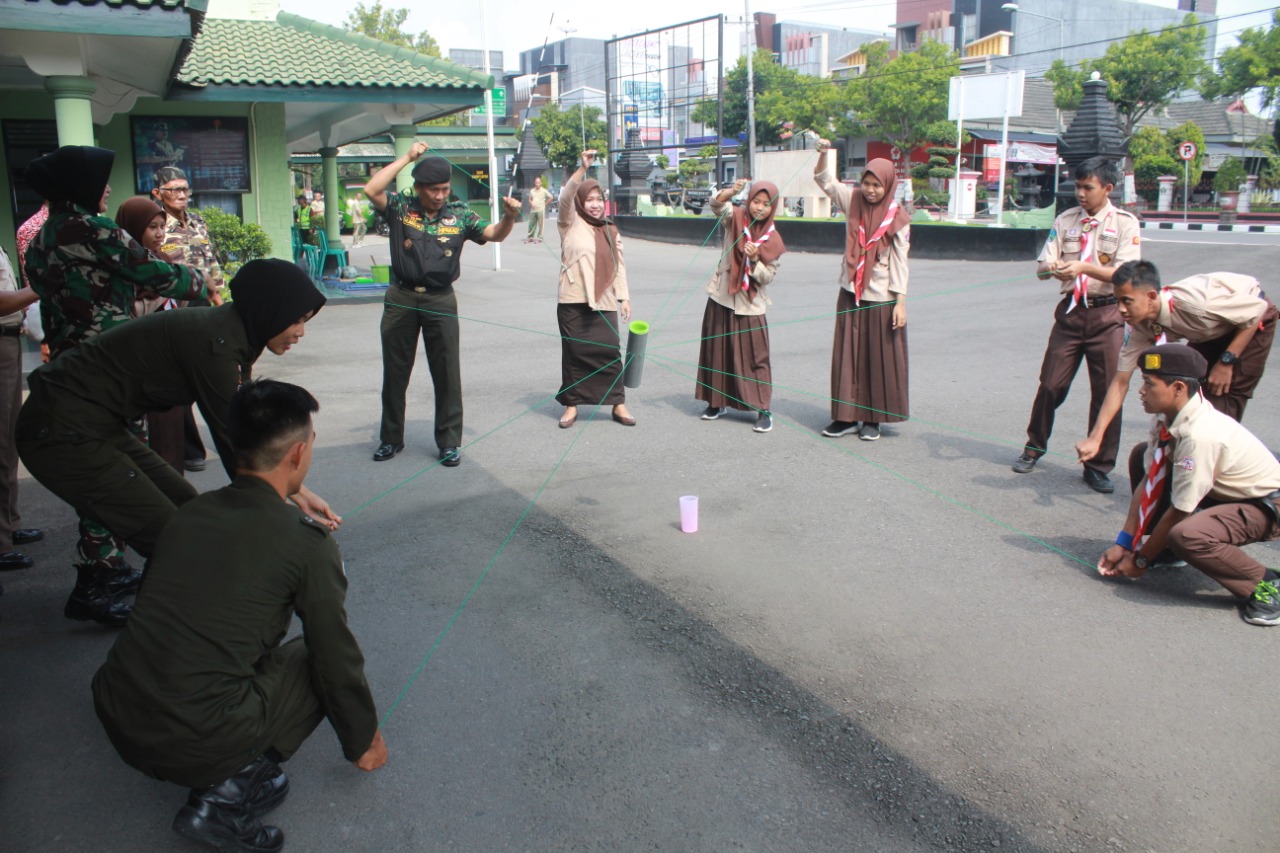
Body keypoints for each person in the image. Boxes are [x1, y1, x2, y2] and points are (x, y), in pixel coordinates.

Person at [92, 379, 386, 853]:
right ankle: (225, 796)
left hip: (117, 710)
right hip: (193, 738)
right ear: (296, 454)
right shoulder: (307, 544)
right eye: (310, 443)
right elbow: (335, 656)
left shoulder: (190, 512)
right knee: (313, 659)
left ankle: (234, 768)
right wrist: (363, 740)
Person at [16, 259, 337, 627]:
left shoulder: (233, 331)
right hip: (60, 429)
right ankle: (172, 638)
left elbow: (251, 438)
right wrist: (290, 525)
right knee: (178, 538)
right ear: (268, 310)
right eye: (295, 319)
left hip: (98, 423)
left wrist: (298, 491)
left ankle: (165, 621)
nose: (301, 332)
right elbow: (243, 451)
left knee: (190, 512)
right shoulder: (219, 345)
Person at [22, 144, 209, 625]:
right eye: (101, 181)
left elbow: (87, 286)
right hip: (106, 371)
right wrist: (196, 280)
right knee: (111, 469)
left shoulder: (45, 235)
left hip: (71, 363)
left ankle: (106, 564)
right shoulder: (91, 228)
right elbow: (151, 269)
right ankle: (95, 580)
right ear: (82, 187)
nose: (107, 189)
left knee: (107, 463)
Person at [1095, 344, 1280, 627]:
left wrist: (1141, 561)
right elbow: (1151, 480)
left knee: (1187, 534)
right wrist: (1125, 543)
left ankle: (1264, 584)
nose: (1141, 391)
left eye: (1148, 383)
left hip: (1266, 505)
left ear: (1178, 388)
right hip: (1224, 494)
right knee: (1141, 456)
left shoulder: (1200, 436)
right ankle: (1166, 551)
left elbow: (1181, 510)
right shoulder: (1167, 415)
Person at [364, 140, 519, 465]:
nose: (439, 195)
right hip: (402, 297)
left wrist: (508, 217)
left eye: (444, 189)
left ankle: (449, 442)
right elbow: (371, 189)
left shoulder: (459, 213)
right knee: (395, 372)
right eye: (433, 189)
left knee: (447, 373)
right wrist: (407, 157)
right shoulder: (401, 207)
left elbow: (493, 234)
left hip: (441, 299)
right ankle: (390, 438)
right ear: (419, 187)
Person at [1011, 156, 1140, 493]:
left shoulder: (1125, 224)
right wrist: (1051, 268)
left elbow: (1126, 274)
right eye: (1078, 187)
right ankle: (1033, 446)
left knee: (1107, 390)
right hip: (1070, 312)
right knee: (1051, 384)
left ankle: (1098, 465)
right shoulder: (1066, 220)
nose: (1081, 194)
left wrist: (1083, 268)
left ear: (1107, 189)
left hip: (1108, 313)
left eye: (1088, 187)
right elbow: (1042, 265)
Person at [1075, 263, 1276, 470]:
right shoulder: (1142, 325)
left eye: (1127, 301)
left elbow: (1257, 310)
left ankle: (1214, 474)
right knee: (1187, 392)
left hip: (1249, 319)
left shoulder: (1196, 306)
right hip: (1209, 330)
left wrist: (1226, 361)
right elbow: (1120, 382)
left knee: (1220, 403)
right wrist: (1095, 438)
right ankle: (1180, 464)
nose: (1121, 309)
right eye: (1117, 301)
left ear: (1151, 297)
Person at [814, 143, 910, 442]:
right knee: (847, 356)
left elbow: (900, 261)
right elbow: (824, 181)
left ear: (888, 185)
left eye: (876, 185)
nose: (870, 190)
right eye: (866, 183)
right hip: (850, 292)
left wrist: (900, 302)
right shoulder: (852, 199)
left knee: (875, 358)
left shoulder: (897, 216)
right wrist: (821, 154)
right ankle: (844, 417)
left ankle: (872, 418)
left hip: (880, 298)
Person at [695, 178, 785, 433]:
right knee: (717, 351)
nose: (759, 208)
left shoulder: (773, 239)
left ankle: (763, 409)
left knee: (756, 357)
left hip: (750, 304)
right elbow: (715, 204)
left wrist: (756, 260)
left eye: (766, 205)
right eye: (756, 201)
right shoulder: (734, 218)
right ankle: (716, 401)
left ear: (773, 208)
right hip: (722, 296)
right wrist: (730, 191)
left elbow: (768, 277)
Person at [151, 165, 225, 473]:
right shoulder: (155, 225)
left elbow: (212, 263)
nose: (182, 195)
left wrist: (220, 300)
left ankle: (220, 441)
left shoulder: (197, 221)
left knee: (212, 372)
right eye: (175, 190)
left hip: (203, 306)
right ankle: (187, 448)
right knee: (178, 379)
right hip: (172, 310)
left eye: (185, 189)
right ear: (158, 193)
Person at [554, 150, 635, 429]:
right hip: (573, 299)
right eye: (589, 200)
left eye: (598, 199)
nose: (595, 205)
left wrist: (623, 297)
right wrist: (582, 168)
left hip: (605, 300)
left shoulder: (611, 230)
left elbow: (619, 266)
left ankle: (618, 403)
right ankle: (572, 405)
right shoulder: (569, 222)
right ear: (581, 203)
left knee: (610, 352)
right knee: (574, 354)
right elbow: (565, 197)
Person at [115, 196, 186, 474]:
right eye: (151, 227)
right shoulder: (122, 268)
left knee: (170, 437)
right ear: (132, 229)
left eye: (161, 226)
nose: (159, 233)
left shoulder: (165, 261)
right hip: (139, 367)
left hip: (168, 365)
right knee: (145, 445)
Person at [0, 243, 42, 575]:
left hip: (10, 340)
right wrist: (43, 286)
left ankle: (9, 525)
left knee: (8, 441)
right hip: (2, 337)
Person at [525, 175, 553, 244]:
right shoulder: (532, 191)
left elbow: (551, 197)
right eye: (536, 182)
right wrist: (531, 203)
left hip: (541, 209)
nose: (537, 184)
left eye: (538, 182)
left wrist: (545, 204)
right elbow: (529, 199)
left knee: (541, 224)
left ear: (541, 183)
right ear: (534, 183)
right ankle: (530, 237)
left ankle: (539, 238)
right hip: (533, 210)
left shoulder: (544, 191)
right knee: (531, 224)